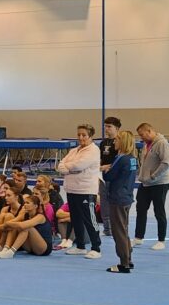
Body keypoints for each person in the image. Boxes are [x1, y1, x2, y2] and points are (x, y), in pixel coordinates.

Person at [57, 123, 103, 259]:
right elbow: (60, 165)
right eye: (79, 135)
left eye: (84, 135)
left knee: (89, 220)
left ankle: (96, 248)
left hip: (86, 190)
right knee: (75, 219)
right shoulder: (74, 150)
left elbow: (79, 165)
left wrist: (68, 168)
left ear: (90, 136)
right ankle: (80, 246)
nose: (81, 137)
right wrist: (68, 167)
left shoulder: (93, 150)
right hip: (72, 189)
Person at [103, 131, 138, 274]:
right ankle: (128, 259)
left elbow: (109, 176)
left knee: (118, 232)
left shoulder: (121, 159)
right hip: (126, 196)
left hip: (118, 198)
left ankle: (124, 263)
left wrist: (106, 170)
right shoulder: (132, 159)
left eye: (116, 139)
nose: (114, 142)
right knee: (123, 229)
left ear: (123, 142)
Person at [134, 123, 169, 251]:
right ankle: (138, 237)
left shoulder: (162, 143)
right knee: (140, 209)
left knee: (159, 211)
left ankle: (161, 240)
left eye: (142, 135)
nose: (141, 138)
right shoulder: (146, 144)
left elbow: (166, 163)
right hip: (145, 183)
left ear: (150, 131)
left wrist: (153, 176)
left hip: (159, 183)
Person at [0, 194, 52, 259]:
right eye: (24, 203)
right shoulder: (24, 215)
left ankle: (11, 252)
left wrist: (6, 224)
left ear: (35, 206)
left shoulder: (40, 217)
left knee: (26, 227)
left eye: (27, 203)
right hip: (30, 248)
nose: (24, 205)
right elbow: (11, 223)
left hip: (43, 249)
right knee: (15, 225)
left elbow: (22, 225)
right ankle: (5, 249)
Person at [98, 116, 121, 236]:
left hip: (115, 178)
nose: (106, 129)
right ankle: (107, 228)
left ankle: (116, 226)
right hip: (103, 176)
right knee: (104, 202)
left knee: (114, 202)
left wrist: (108, 166)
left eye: (109, 127)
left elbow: (121, 160)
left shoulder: (120, 141)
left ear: (116, 128)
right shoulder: (103, 143)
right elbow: (101, 159)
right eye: (105, 126)